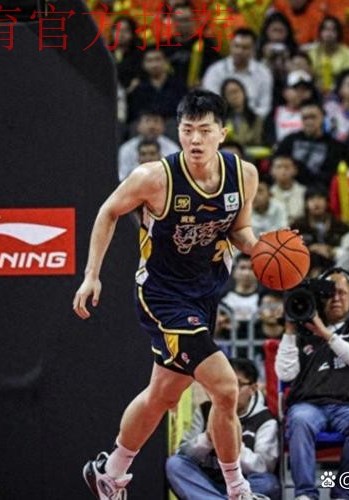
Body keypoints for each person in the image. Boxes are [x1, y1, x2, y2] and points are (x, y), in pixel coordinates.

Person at [73, 90, 268, 500]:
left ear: (222, 133)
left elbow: (240, 230)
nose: (195, 139)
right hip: (162, 296)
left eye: (205, 130)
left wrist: (263, 249)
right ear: (177, 132)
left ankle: (110, 472)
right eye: (187, 129)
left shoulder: (243, 175)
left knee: (162, 395)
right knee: (226, 388)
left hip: (204, 294)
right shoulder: (154, 178)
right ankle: (238, 490)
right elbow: (108, 211)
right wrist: (92, 275)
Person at [275, 267, 349, 500]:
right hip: (309, 405)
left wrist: (325, 334)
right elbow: (286, 373)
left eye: (342, 292)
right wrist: (290, 330)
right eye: (329, 293)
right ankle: (305, 495)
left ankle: (343, 494)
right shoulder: (302, 331)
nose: (336, 298)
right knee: (299, 420)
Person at [165, 358, 281, 500]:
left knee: (268, 483)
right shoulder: (205, 411)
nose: (228, 390)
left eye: (237, 384)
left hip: (245, 486)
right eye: (223, 383)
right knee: (175, 464)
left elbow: (264, 467)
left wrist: (232, 444)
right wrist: (207, 439)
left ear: (253, 388)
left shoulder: (265, 419)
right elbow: (184, 453)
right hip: (208, 484)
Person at [202, 28, 273, 119]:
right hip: (222, 120)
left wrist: (250, 121)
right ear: (231, 46)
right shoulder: (215, 70)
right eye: (236, 46)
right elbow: (210, 102)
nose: (239, 51)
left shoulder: (263, 72)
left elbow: (264, 107)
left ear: (254, 49)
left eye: (245, 48)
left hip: (253, 122)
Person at [274, 100, 345, 189]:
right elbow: (276, 163)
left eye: (313, 117)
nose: (309, 121)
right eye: (305, 118)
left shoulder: (334, 145)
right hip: (289, 188)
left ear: (322, 117)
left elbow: (331, 176)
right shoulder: (289, 140)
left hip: (318, 190)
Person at [118, 110, 179, 181]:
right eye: (147, 121)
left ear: (163, 127)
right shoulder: (126, 149)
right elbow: (122, 177)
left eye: (156, 121)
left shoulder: (173, 149)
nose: (152, 126)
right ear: (138, 126)